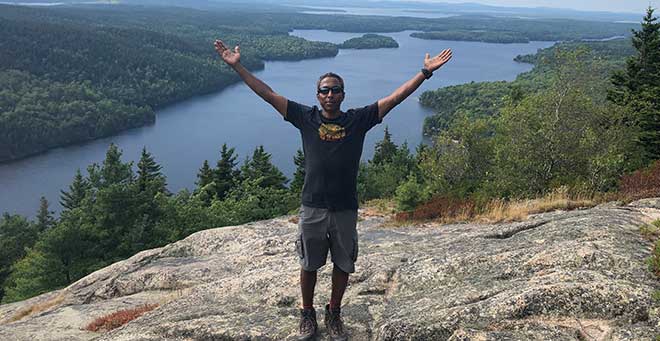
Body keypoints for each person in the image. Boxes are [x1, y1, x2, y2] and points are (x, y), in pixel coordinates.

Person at [214, 38, 452, 341]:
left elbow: (394, 98)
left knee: (343, 264)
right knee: (309, 264)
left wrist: (425, 72)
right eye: (324, 90)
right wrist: (238, 68)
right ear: (318, 95)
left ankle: (334, 312)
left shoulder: (358, 120)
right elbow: (267, 93)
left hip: (344, 207)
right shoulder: (305, 117)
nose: (329, 94)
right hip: (312, 205)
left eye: (335, 89)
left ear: (343, 94)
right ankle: (307, 313)